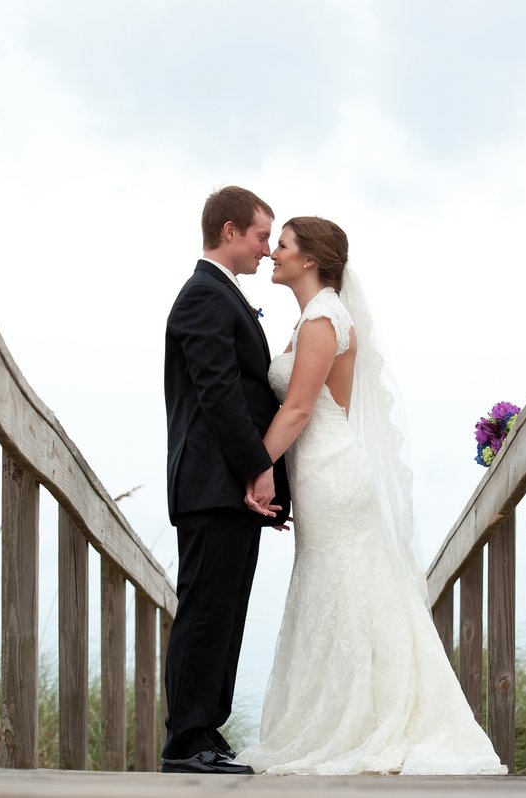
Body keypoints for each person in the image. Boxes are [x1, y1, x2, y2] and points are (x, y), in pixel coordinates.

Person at [237, 217, 507, 775]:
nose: (274, 255)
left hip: (331, 472)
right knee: (334, 590)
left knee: (344, 590)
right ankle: (350, 714)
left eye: (282, 246)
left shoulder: (321, 320)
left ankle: (361, 723)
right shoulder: (319, 317)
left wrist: (255, 468)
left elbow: (299, 408)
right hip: (319, 469)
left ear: (310, 259)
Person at [160, 186, 291, 775]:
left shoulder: (221, 295)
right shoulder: (203, 296)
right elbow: (218, 393)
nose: (267, 250)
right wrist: (257, 467)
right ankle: (186, 740)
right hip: (215, 482)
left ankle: (205, 729)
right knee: (207, 608)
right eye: (263, 236)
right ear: (232, 230)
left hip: (229, 485)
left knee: (228, 609)